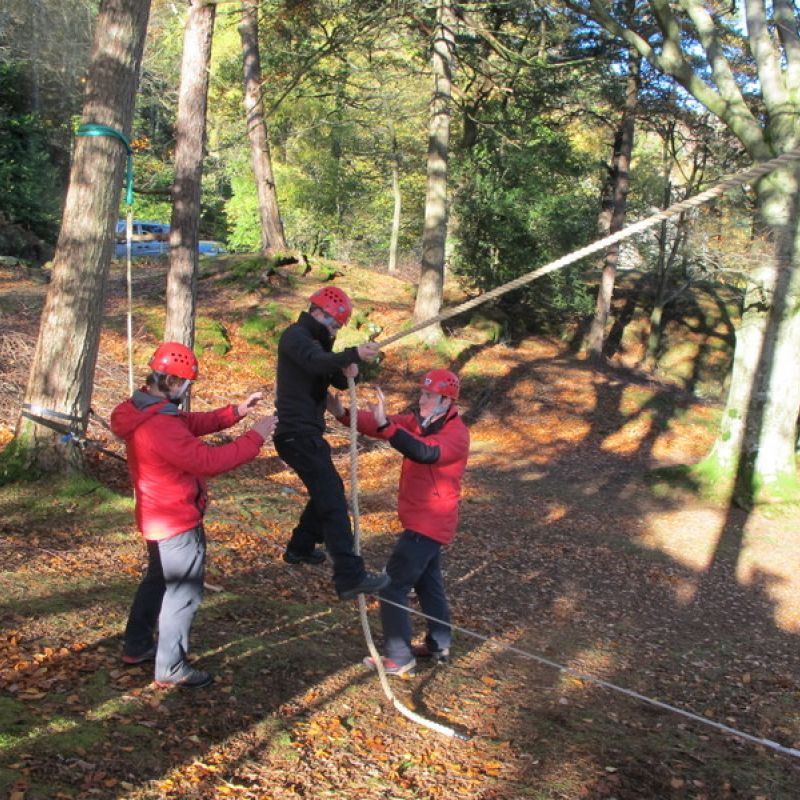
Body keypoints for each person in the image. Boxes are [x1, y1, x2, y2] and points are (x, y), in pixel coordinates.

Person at [110, 342, 277, 689]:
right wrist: (256, 437)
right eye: (185, 386)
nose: (186, 394)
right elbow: (208, 462)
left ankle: (137, 645)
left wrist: (235, 412)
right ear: (172, 383)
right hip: (176, 521)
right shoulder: (159, 425)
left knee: (157, 581)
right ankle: (170, 666)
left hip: (156, 517)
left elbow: (188, 423)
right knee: (183, 593)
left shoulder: (144, 409)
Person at [327, 368, 470, 676]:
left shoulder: (456, 434)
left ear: (447, 400)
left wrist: (386, 427)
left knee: (391, 586)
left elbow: (424, 452)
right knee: (429, 582)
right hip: (421, 519)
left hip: (430, 522)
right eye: (422, 392)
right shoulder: (420, 421)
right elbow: (380, 425)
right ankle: (439, 644)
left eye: (429, 395)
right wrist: (341, 411)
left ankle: (399, 656)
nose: (422, 399)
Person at [273, 286, 389, 600]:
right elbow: (314, 362)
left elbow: (334, 376)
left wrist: (352, 366)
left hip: (306, 435)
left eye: (338, 328)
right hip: (296, 434)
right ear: (318, 313)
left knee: (329, 493)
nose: (335, 331)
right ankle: (350, 575)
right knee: (333, 502)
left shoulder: (319, 343)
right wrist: (349, 356)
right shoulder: (296, 336)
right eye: (334, 325)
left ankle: (300, 547)